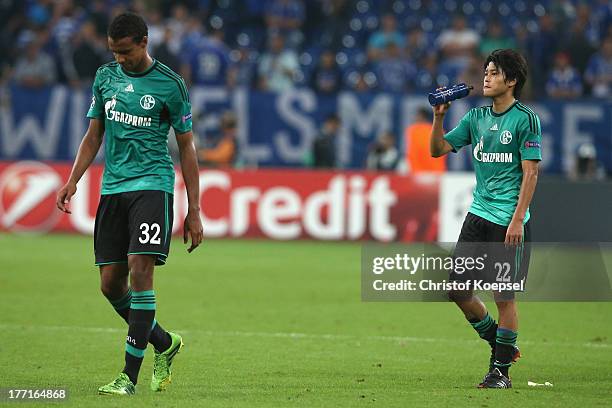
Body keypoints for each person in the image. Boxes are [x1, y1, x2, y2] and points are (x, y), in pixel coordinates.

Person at [55, 12, 203, 396]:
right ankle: (165, 342)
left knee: (141, 273)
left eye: (125, 52)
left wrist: (195, 209)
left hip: (152, 185)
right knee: (109, 285)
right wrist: (73, 179)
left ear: (144, 42)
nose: (120, 59)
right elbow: (93, 135)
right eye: (114, 52)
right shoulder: (105, 78)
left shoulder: (171, 85)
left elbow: (187, 148)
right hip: (113, 188)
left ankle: (128, 377)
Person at [429, 49, 541, 388]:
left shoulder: (525, 119)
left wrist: (518, 219)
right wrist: (438, 118)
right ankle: (500, 343)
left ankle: (500, 372)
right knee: (457, 289)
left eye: (494, 73)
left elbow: (531, 172)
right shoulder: (476, 118)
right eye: (486, 72)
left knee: (503, 296)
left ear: (512, 80)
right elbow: (437, 150)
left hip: (508, 221)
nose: (486, 78)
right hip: (478, 216)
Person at [405, 107, 446, 173]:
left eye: (417, 115)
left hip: (418, 171)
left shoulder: (413, 130)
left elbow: (412, 152)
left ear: (421, 116)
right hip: (436, 171)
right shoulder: (439, 130)